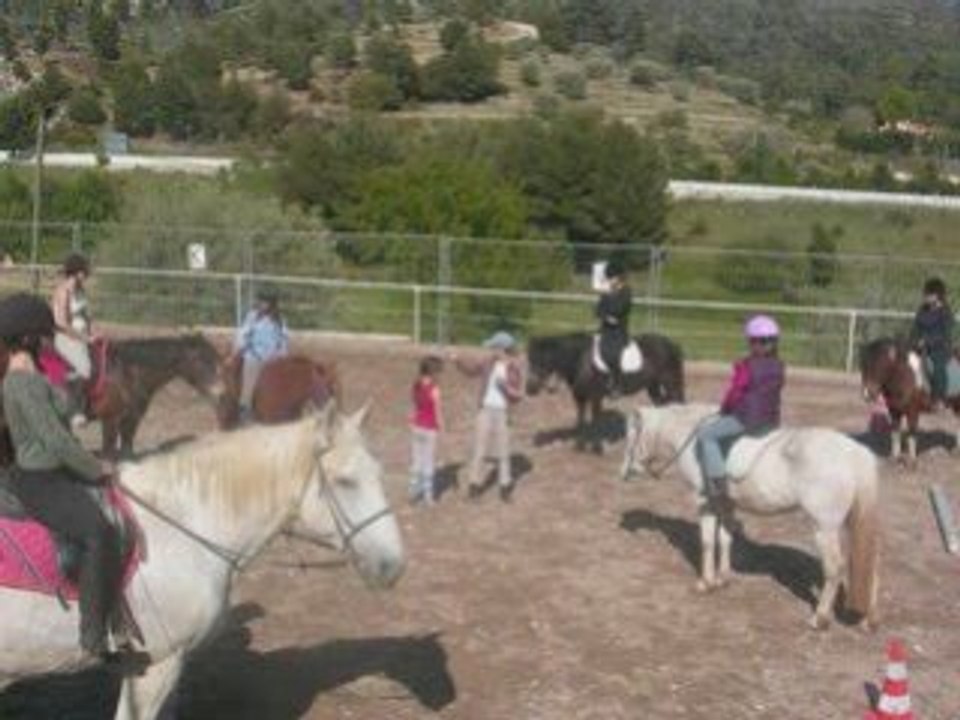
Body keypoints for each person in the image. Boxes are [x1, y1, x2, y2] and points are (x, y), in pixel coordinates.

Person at [0, 292, 121, 661]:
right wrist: (95, 467)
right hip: (41, 479)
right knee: (99, 531)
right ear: (28, 339)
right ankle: (92, 633)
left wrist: (62, 386)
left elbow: (65, 408)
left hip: (46, 472)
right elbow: (54, 439)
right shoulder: (21, 383)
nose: (48, 342)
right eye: (43, 337)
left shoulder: (28, 377)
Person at [694, 314, 785, 503]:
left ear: (753, 343)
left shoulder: (746, 366)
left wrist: (725, 409)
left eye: (753, 341)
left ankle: (717, 484)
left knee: (706, 435)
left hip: (747, 420)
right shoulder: (779, 365)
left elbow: (735, 393)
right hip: (771, 420)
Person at [452, 331, 524, 502]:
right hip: (485, 409)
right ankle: (474, 485)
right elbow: (471, 370)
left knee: (504, 451)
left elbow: (518, 395)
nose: (492, 350)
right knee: (480, 449)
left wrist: (505, 387)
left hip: (503, 412)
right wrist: (458, 360)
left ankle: (505, 487)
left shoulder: (513, 368)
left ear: (503, 349)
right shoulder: (488, 362)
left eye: (495, 347)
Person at [51, 252, 94, 427]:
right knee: (85, 368)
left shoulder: (80, 291)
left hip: (83, 337)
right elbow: (60, 323)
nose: (86, 276)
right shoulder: (63, 291)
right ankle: (74, 410)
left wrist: (93, 332)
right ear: (77, 272)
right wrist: (84, 337)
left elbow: (86, 315)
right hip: (66, 338)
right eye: (84, 272)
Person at [233, 289, 289, 419]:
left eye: (265, 302)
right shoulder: (252, 317)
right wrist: (242, 347)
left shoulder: (280, 320)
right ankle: (245, 407)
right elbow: (243, 334)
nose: (262, 304)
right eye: (261, 301)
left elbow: (284, 340)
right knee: (250, 373)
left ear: (272, 304)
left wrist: (280, 355)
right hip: (255, 354)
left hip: (274, 358)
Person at [910, 277, 953, 410]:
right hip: (920, 346)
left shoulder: (945, 311)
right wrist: (914, 340)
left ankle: (940, 398)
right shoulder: (922, 309)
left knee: (937, 366)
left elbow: (945, 334)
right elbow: (915, 328)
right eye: (926, 294)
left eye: (929, 294)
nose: (926, 297)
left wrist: (927, 341)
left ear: (937, 295)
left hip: (939, 348)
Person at [409, 355, 444, 506]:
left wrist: (411, 421)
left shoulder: (415, 386)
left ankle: (414, 491)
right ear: (433, 372)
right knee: (428, 461)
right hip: (430, 429)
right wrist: (442, 428)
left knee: (417, 460)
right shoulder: (435, 390)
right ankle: (428, 496)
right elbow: (438, 412)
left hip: (417, 427)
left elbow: (414, 407)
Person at [596, 259, 632, 395]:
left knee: (612, 353)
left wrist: (607, 313)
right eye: (609, 277)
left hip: (619, 332)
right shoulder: (607, 292)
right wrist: (606, 316)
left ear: (619, 277)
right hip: (605, 329)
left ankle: (618, 383)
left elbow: (619, 309)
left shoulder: (626, 292)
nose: (610, 280)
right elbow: (598, 310)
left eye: (612, 277)